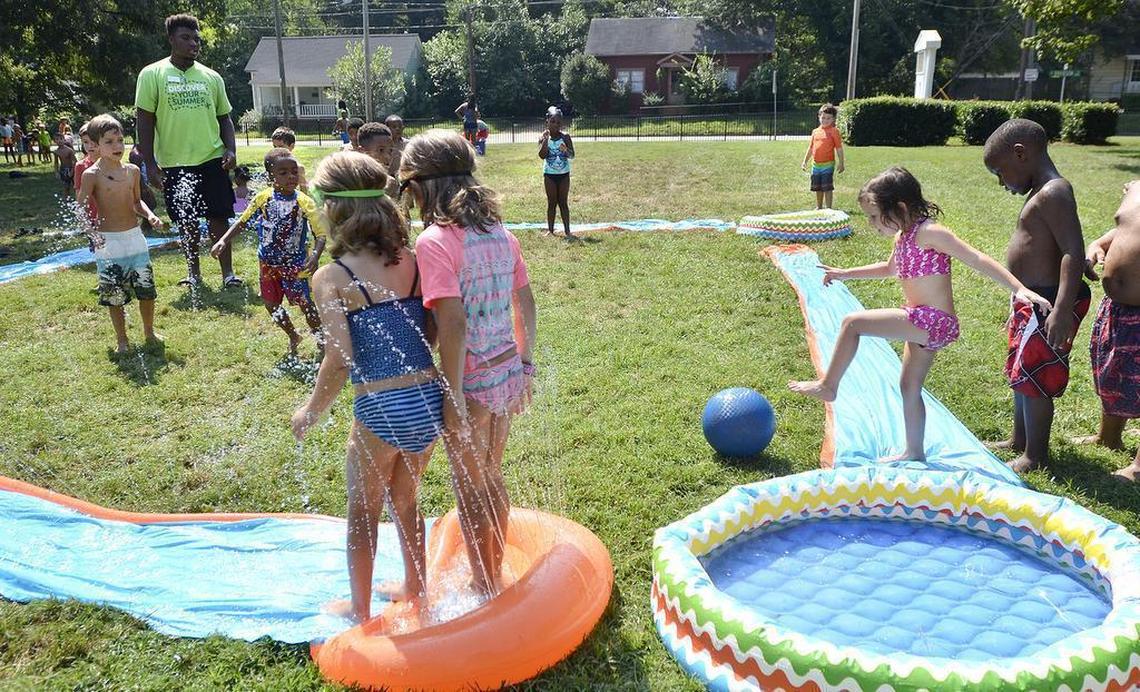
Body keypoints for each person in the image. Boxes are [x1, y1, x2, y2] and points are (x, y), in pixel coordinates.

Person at [789, 167, 1051, 463]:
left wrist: (1018, 289)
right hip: (921, 319)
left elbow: (977, 258)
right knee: (908, 386)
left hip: (933, 320)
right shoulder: (903, 236)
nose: (872, 224)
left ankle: (828, 386)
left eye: (875, 216)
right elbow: (889, 270)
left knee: (852, 323)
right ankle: (914, 452)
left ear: (900, 207)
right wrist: (844, 273)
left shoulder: (930, 233)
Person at [291, 151, 443, 623]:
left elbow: (340, 358)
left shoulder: (333, 277)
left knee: (362, 510)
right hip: (429, 401)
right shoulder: (414, 262)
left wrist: (311, 409)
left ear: (332, 209)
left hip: (381, 406)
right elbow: (429, 332)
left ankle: (358, 609)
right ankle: (416, 590)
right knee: (406, 501)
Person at [400, 130, 537, 597]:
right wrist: (526, 362)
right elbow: (527, 302)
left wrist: (454, 392)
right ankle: (490, 572)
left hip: (472, 379)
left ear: (419, 187)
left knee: (470, 485)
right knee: (491, 474)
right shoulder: (497, 232)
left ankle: (485, 584)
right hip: (505, 369)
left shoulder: (435, 241)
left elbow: (453, 323)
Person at [983, 119, 1090, 473]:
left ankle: (1035, 455)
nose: (1001, 182)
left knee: (1035, 379)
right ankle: (1019, 440)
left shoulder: (1054, 191)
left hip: (1048, 302)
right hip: (1032, 300)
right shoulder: (1041, 190)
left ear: (1020, 153)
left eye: (1001, 171)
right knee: (1021, 372)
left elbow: (1072, 251)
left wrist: (1061, 310)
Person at [136, 13, 241, 289]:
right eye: (186, 38)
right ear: (171, 39)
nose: (193, 43)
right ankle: (193, 274)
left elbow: (224, 118)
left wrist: (230, 149)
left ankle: (228, 273)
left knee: (219, 216)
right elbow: (145, 121)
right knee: (186, 219)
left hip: (212, 159)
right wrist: (150, 164)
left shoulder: (211, 77)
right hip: (175, 163)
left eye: (196, 39)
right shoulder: (152, 74)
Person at [210, 148, 326, 357]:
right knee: (271, 305)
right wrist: (223, 240)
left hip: (296, 264)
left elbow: (321, 235)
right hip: (268, 263)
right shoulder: (263, 199)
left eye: (294, 171)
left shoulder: (304, 202)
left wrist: (315, 256)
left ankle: (320, 339)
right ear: (270, 176)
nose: (291, 176)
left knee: (306, 305)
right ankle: (293, 335)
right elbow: (242, 221)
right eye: (284, 173)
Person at [75, 114, 164, 354]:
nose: (117, 146)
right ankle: (122, 340)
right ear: (95, 144)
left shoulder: (133, 171)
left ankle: (148, 331)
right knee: (115, 294)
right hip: (109, 242)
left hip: (135, 238)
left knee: (146, 289)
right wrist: (92, 233)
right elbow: (80, 210)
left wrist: (150, 215)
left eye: (120, 140)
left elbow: (137, 203)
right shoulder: (91, 175)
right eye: (109, 141)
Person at [1081, 180, 1140, 482]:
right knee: (1113, 373)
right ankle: (1109, 437)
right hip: (1118, 311)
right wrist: (1096, 249)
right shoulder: (1135, 189)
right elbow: (1122, 231)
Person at [539, 108, 574, 238]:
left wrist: (566, 151)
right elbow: (542, 156)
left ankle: (567, 230)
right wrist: (545, 141)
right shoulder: (543, 137)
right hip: (549, 175)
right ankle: (551, 230)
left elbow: (572, 155)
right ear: (547, 122)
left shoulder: (565, 137)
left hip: (564, 175)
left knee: (563, 202)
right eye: (552, 121)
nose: (555, 125)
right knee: (551, 202)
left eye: (558, 123)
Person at [801, 103, 844, 210]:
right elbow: (811, 148)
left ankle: (829, 208)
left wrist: (841, 163)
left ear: (833, 119)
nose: (825, 120)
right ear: (819, 117)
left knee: (827, 187)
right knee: (818, 187)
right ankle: (819, 207)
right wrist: (805, 161)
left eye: (829, 118)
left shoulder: (834, 131)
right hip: (815, 165)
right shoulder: (815, 132)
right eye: (823, 117)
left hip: (828, 164)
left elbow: (839, 148)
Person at [357, 122, 399, 196]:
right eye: (381, 150)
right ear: (362, 152)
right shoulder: (351, 181)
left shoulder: (390, 183)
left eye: (390, 151)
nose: (388, 157)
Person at [270, 126, 308, 192]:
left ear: (292, 146)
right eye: (275, 147)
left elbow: (304, 193)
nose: (277, 150)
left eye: (280, 147)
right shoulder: (272, 166)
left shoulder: (298, 168)